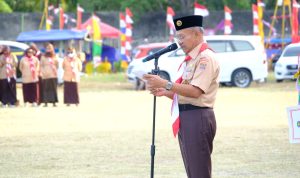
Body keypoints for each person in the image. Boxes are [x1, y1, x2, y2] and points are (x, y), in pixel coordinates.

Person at [143, 15, 220, 178]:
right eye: (177, 37)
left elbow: (196, 91)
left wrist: (165, 83)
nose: (179, 41)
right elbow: (186, 93)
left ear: (197, 34)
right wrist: (166, 93)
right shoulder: (192, 59)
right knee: (193, 170)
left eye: (182, 36)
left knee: (199, 172)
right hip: (188, 116)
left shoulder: (205, 58)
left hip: (198, 117)